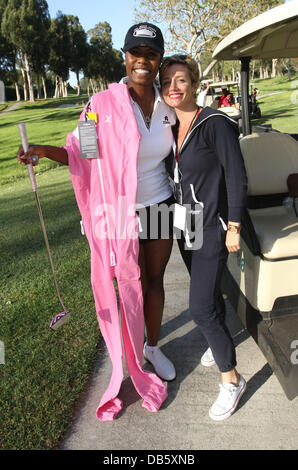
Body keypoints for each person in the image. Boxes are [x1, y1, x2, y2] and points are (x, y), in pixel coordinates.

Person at [17, 22, 176, 421]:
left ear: (159, 61)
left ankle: (151, 348)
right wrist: (41, 151)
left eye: (151, 53)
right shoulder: (100, 105)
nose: (143, 59)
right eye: (135, 52)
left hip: (158, 203)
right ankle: (126, 359)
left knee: (153, 280)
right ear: (124, 56)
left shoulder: (169, 105)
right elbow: (79, 151)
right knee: (126, 287)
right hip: (119, 214)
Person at [160, 54, 248, 421]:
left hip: (213, 226)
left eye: (181, 80)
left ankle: (232, 379)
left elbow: (236, 177)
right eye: (166, 82)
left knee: (199, 308)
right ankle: (218, 341)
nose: (173, 88)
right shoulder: (166, 128)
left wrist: (235, 225)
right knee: (207, 291)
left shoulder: (215, 123)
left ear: (195, 83)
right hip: (186, 224)